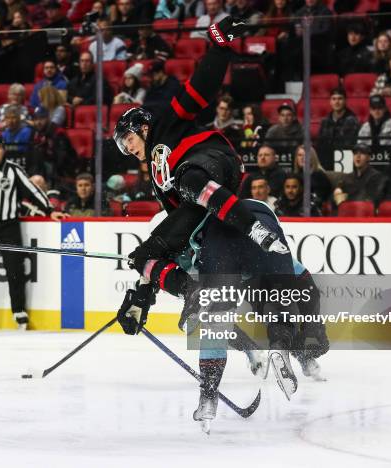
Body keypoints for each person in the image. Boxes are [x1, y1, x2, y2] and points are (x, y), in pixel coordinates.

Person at [113, 18, 297, 423]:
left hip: (212, 164)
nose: (128, 150)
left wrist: (218, 44)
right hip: (200, 202)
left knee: (188, 179)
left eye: (127, 140)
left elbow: (199, 89)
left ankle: (256, 229)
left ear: (140, 127)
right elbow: (178, 228)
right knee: (143, 253)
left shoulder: (163, 123)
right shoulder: (159, 184)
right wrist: (140, 295)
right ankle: (191, 292)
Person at [0, 134, 66, 331]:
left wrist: (50, 210)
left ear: (3, 149)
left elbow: (33, 192)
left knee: (15, 270)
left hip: (8, 226)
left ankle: (19, 311)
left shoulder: (13, 170)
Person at [29, 105, 78, 187]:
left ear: (48, 118)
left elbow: (62, 156)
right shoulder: (35, 132)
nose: (38, 122)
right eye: (36, 119)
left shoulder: (58, 132)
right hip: (44, 165)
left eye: (41, 119)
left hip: (61, 167)